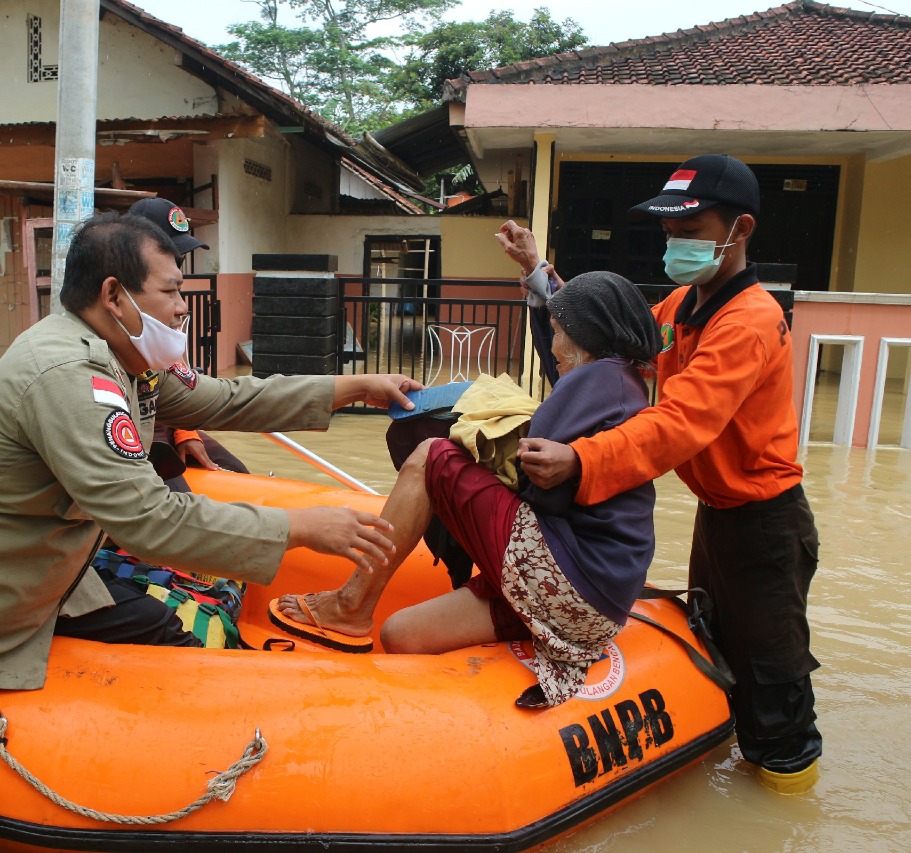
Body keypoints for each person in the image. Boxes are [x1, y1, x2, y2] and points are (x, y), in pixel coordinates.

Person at [0, 210, 421, 851]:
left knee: (161, 635)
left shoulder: (126, 359)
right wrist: (300, 526)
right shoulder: (69, 374)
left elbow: (226, 399)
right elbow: (148, 518)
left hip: (32, 584)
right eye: (172, 291)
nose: (184, 308)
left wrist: (350, 386)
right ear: (115, 294)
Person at [502, 154, 823, 794]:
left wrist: (583, 458)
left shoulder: (750, 320)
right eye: (671, 234)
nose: (677, 244)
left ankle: (788, 793)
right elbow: (612, 336)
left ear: (741, 230)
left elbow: (682, 423)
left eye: (692, 230)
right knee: (722, 640)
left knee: (775, 673)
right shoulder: (686, 305)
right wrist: (540, 275)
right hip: (720, 514)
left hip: (765, 523)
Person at [270, 271, 661, 711]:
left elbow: (538, 483)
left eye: (556, 335)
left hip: (569, 575)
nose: (552, 350)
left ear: (583, 337)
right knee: (402, 633)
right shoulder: (623, 383)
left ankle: (351, 604)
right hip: (596, 609)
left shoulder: (600, 377)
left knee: (433, 454)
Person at [127, 196, 252, 490]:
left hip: (169, 420)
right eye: (170, 255)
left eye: (179, 257)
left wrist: (186, 432)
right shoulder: (128, 308)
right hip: (137, 426)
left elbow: (185, 380)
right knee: (176, 498)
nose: (178, 265)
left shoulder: (169, 304)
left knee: (236, 473)